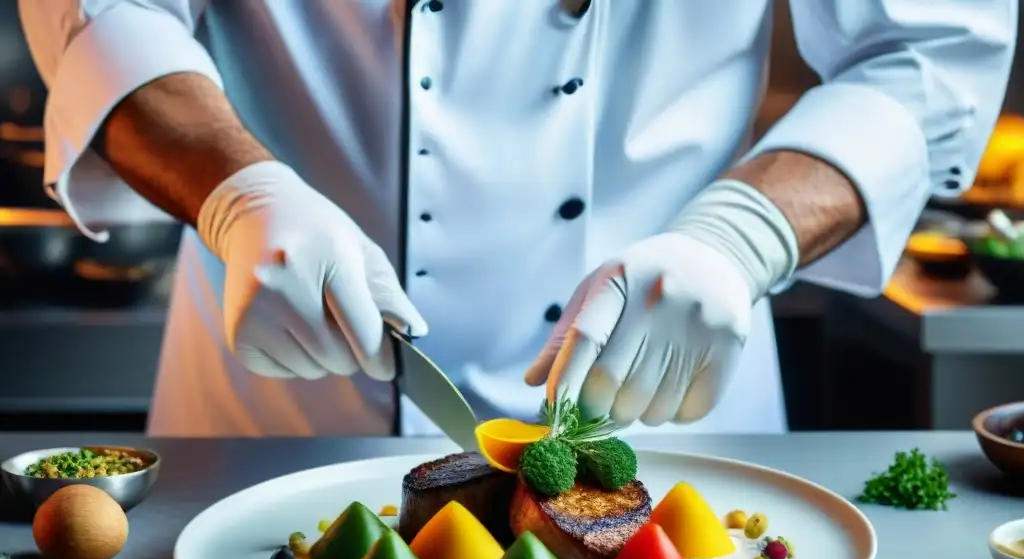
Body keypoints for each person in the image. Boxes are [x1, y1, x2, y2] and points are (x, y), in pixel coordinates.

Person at [19, 0, 1015, 438]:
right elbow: (103, 12)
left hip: (666, 406)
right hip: (282, 408)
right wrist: (240, 194)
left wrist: (742, 236)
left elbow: (925, 50)